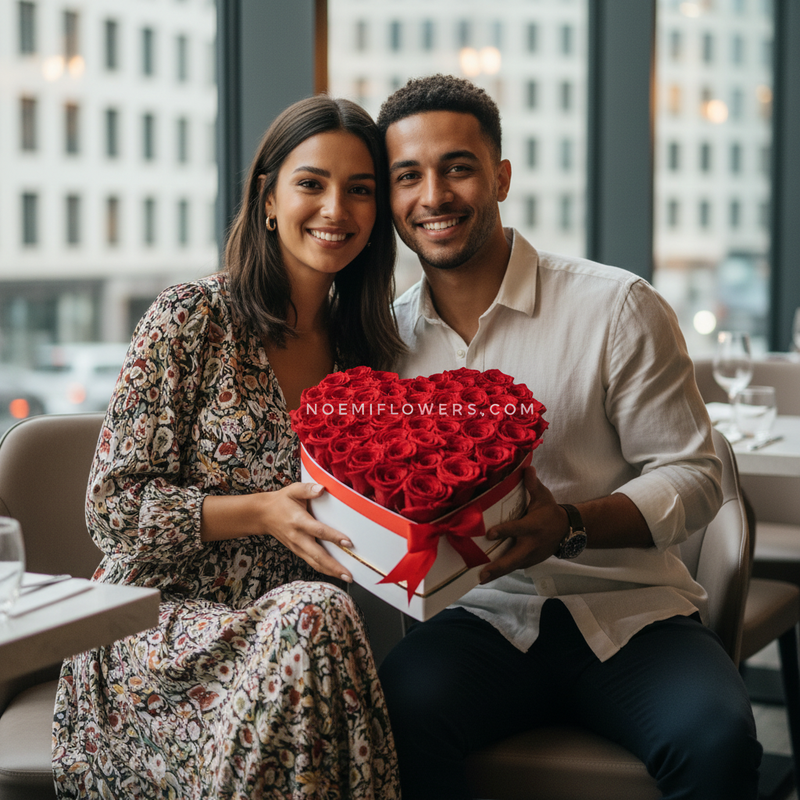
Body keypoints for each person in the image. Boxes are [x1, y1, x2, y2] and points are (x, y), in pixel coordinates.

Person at [375, 74, 762, 800]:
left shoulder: (615, 306)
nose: (433, 195)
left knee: (718, 741)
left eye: (457, 167)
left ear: (500, 177)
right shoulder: (385, 339)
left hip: (632, 612)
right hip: (479, 620)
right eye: (408, 176)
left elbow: (696, 473)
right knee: (390, 713)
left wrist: (571, 525)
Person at [52, 95, 405, 800]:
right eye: (312, 183)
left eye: (360, 190)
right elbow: (111, 512)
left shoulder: (368, 355)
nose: (336, 208)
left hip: (294, 642)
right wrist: (262, 512)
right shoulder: (191, 318)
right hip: (153, 628)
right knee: (316, 618)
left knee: (314, 620)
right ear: (269, 198)